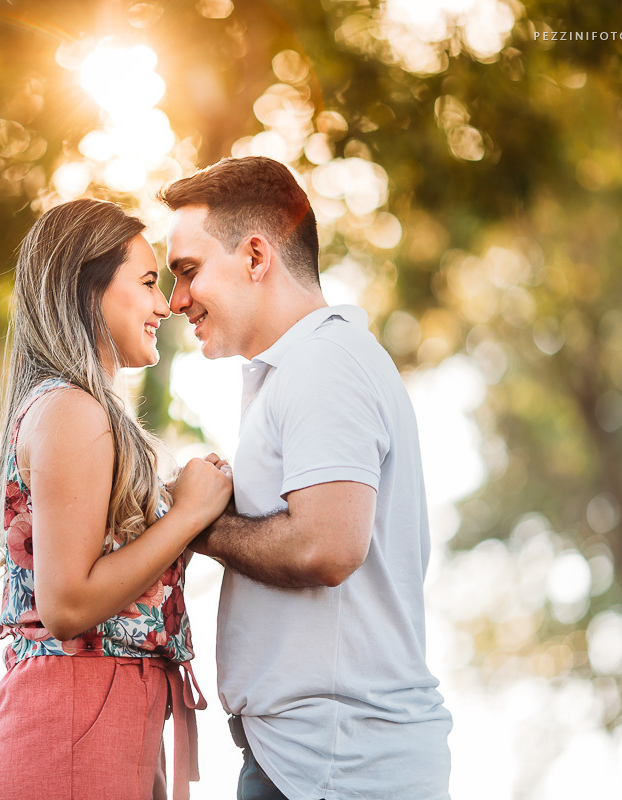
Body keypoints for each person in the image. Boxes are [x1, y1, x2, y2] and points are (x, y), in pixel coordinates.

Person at [159, 156, 453, 800]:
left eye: (187, 271)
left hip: (336, 766)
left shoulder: (324, 365)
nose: (176, 299)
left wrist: (195, 523)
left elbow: (327, 547)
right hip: (307, 761)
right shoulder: (300, 369)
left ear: (256, 257)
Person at [0, 198, 232, 800]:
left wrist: (168, 505)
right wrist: (188, 514)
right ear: (88, 291)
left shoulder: (75, 412)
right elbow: (66, 604)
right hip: (74, 725)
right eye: (146, 283)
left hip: (96, 723)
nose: (165, 304)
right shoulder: (71, 410)